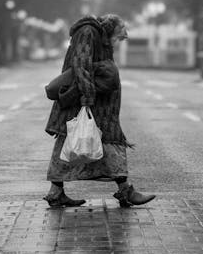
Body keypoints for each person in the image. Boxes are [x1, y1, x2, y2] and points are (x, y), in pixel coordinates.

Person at [44, 13, 155, 209]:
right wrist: (87, 97)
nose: (119, 42)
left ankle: (56, 193)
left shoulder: (99, 37)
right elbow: (81, 64)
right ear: (111, 30)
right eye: (119, 37)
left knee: (79, 143)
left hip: (95, 104)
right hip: (86, 102)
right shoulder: (88, 32)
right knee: (94, 143)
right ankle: (126, 191)